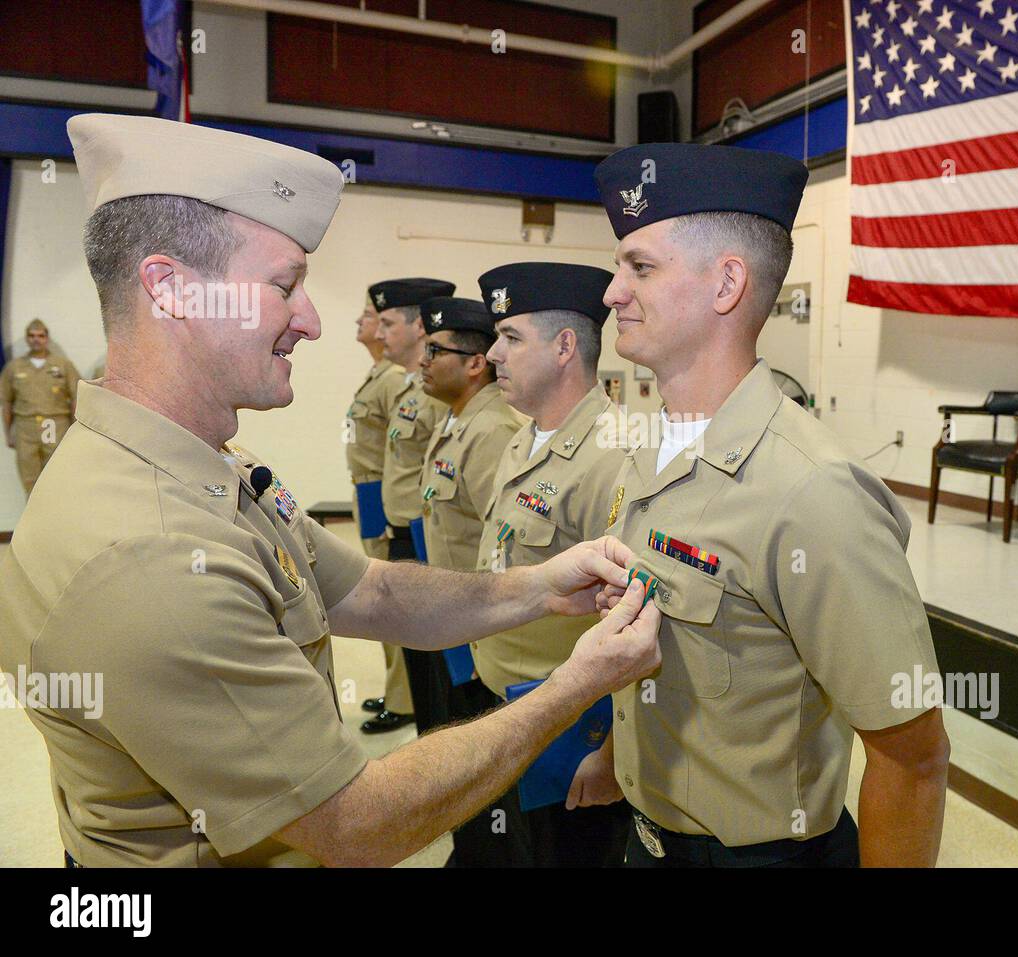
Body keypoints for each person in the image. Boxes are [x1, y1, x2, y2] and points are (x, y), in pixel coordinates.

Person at [0, 113, 660, 868]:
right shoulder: (147, 553)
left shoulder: (209, 470)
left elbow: (371, 593)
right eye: (285, 285)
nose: (311, 322)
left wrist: (538, 588)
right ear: (172, 289)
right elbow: (354, 825)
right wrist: (572, 688)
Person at [593, 142, 949, 867]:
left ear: (727, 282)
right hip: (645, 835)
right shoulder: (646, 456)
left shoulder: (812, 490)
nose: (612, 292)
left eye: (640, 267)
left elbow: (912, 760)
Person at [466, 261, 632, 866]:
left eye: (510, 337)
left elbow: (636, 622)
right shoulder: (522, 438)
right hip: (509, 696)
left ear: (566, 347)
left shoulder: (614, 455)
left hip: (570, 722)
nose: (492, 355)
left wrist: (611, 750)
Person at [410, 295, 527, 864]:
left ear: (476, 362)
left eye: (435, 350)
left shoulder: (490, 431)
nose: (422, 360)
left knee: (476, 756)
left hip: (475, 629)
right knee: (448, 743)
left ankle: (483, 850)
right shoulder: (458, 420)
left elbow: (498, 549)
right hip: (449, 621)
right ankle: (471, 845)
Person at [373, 277, 453, 734]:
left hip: (426, 538)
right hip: (401, 527)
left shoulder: (436, 396)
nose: (379, 333)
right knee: (415, 655)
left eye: (388, 323)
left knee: (435, 666)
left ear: (417, 325)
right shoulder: (407, 389)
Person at [345, 291, 415, 733]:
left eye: (371, 316)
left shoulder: (393, 379)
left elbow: (400, 449)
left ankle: (404, 698)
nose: (362, 320)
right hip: (368, 491)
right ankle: (396, 689)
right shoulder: (378, 374)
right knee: (378, 592)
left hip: (379, 492)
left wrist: (389, 502)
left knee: (389, 595)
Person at [1, 319, 82, 496]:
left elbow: (76, 396)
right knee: (29, 477)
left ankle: (55, 520)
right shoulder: (14, 368)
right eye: (31, 336)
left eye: (40, 335)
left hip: (54, 424)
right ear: (26, 339)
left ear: (47, 338)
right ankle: (34, 522)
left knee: (55, 474)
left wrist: (74, 429)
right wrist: (8, 433)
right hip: (26, 428)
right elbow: (6, 402)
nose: (36, 339)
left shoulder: (62, 365)